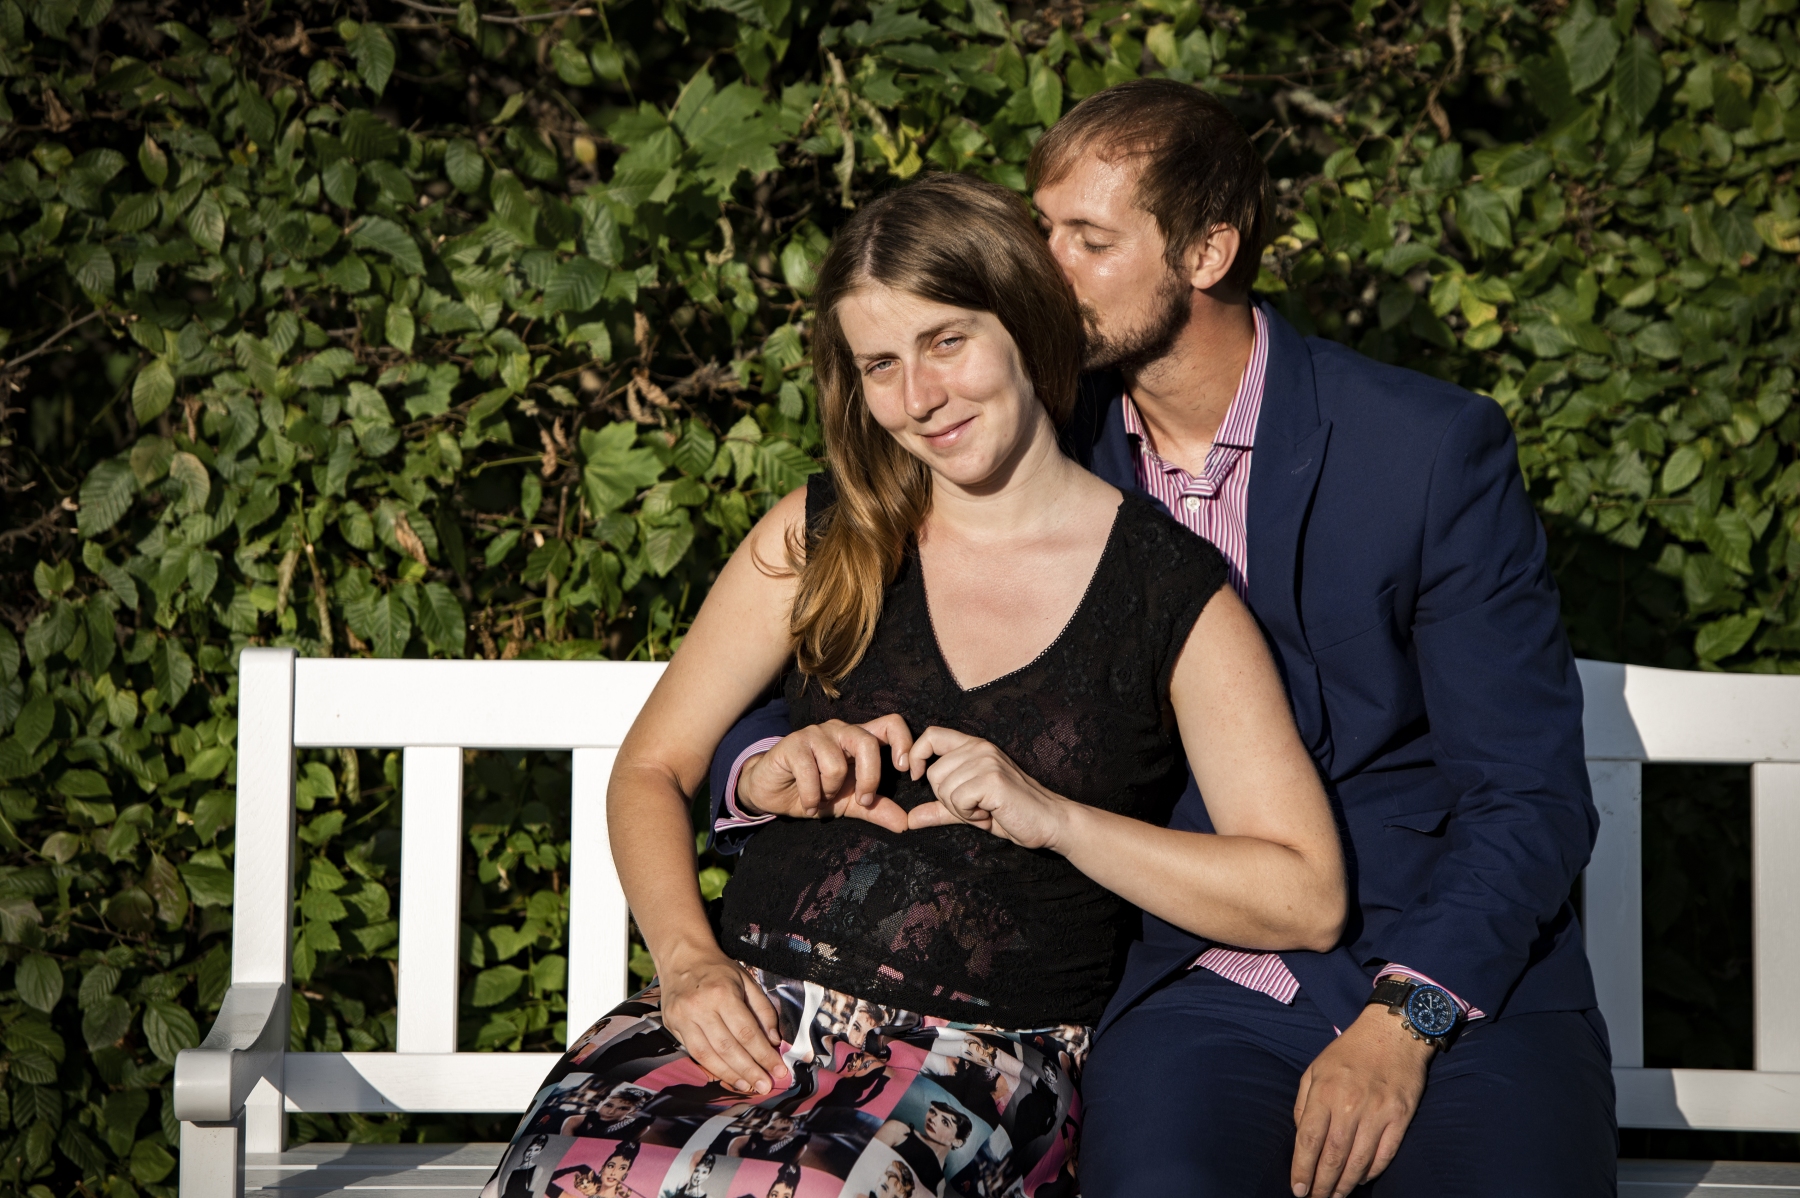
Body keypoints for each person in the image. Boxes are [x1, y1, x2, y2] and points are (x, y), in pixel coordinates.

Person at [709, 80, 1616, 1196]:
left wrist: (1409, 1018)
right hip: (1193, 976)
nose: (1045, 267)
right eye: (1042, 229)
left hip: (1441, 965)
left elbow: (1527, 790)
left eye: (1088, 241)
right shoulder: (1032, 427)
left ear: (1207, 252)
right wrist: (759, 758)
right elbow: (865, 633)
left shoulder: (1423, 451)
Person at [484, 172, 1345, 1198]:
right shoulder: (823, 533)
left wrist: (1056, 818)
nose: (920, 397)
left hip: (972, 1059)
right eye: (881, 365)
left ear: (1025, 325)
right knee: (563, 1178)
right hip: (737, 1007)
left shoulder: (1169, 594)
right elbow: (653, 768)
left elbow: (1305, 895)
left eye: (946, 342)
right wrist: (688, 963)